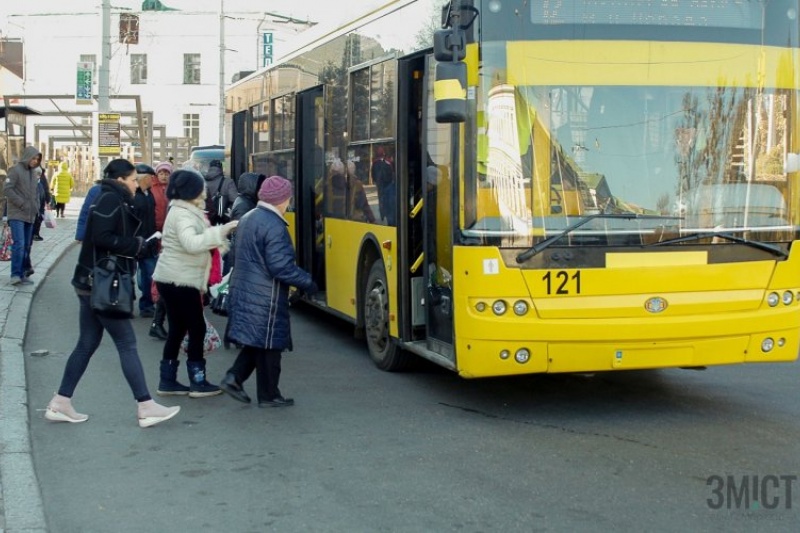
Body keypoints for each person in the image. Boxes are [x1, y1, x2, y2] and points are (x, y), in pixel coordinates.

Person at [44, 158, 180, 428]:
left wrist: (142, 242)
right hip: (103, 283)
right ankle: (146, 406)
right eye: (132, 179)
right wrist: (137, 245)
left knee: (87, 343)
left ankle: (61, 402)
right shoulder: (109, 199)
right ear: (120, 180)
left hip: (92, 281)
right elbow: (103, 237)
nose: (135, 183)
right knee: (126, 343)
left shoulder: (111, 197)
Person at [219, 176, 317, 407]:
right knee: (271, 346)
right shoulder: (273, 225)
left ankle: (237, 378)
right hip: (265, 294)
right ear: (282, 199)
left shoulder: (250, 217)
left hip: (247, 289)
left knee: (259, 342)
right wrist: (307, 282)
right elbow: (280, 266)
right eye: (288, 197)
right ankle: (268, 394)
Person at [152, 168, 238, 397]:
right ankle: (198, 381)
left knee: (178, 329)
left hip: (172, 278)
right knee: (195, 327)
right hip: (180, 280)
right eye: (200, 187)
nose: (204, 191)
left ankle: (167, 381)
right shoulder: (183, 214)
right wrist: (223, 231)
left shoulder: (182, 210)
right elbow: (191, 243)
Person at [5, 146, 41, 285]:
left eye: (37, 159)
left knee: (26, 245)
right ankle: (15, 274)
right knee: (19, 244)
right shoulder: (15, 170)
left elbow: (36, 193)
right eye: (33, 158)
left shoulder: (33, 173)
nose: (35, 161)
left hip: (30, 214)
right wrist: (21, 203)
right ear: (27, 156)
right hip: (17, 214)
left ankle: (23, 272)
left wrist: (37, 206)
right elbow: (7, 189)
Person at [148, 161, 172, 340]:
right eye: (161, 172)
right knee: (161, 277)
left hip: (167, 236)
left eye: (167, 173)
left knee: (165, 280)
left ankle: (158, 322)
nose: (164, 175)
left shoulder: (172, 191)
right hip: (158, 234)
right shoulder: (152, 188)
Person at [225, 171, 266, 271]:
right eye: (259, 187)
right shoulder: (244, 205)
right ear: (251, 187)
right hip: (240, 261)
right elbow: (241, 236)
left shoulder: (245, 201)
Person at [132, 163, 158, 318]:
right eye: (151, 177)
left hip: (149, 241)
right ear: (144, 178)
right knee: (128, 275)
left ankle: (146, 305)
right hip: (134, 242)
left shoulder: (149, 194)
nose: (153, 180)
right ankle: (125, 304)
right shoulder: (133, 195)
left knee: (150, 275)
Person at [203, 159, 237, 225]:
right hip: (222, 220)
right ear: (221, 168)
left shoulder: (203, 181)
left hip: (206, 218)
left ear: (209, 168)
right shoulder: (228, 182)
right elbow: (235, 200)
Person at [371, 146, 395, 224]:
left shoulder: (375, 163)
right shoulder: (388, 162)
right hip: (389, 184)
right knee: (389, 202)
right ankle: (389, 218)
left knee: (381, 200)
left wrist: (376, 182)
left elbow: (373, 175)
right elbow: (393, 172)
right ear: (384, 153)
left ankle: (382, 214)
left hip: (379, 185)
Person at [32, 163, 51, 241]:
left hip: (39, 202)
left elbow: (45, 189)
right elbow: (46, 188)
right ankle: (35, 234)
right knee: (37, 219)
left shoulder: (40, 176)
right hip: (34, 205)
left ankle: (35, 234)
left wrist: (47, 199)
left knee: (38, 218)